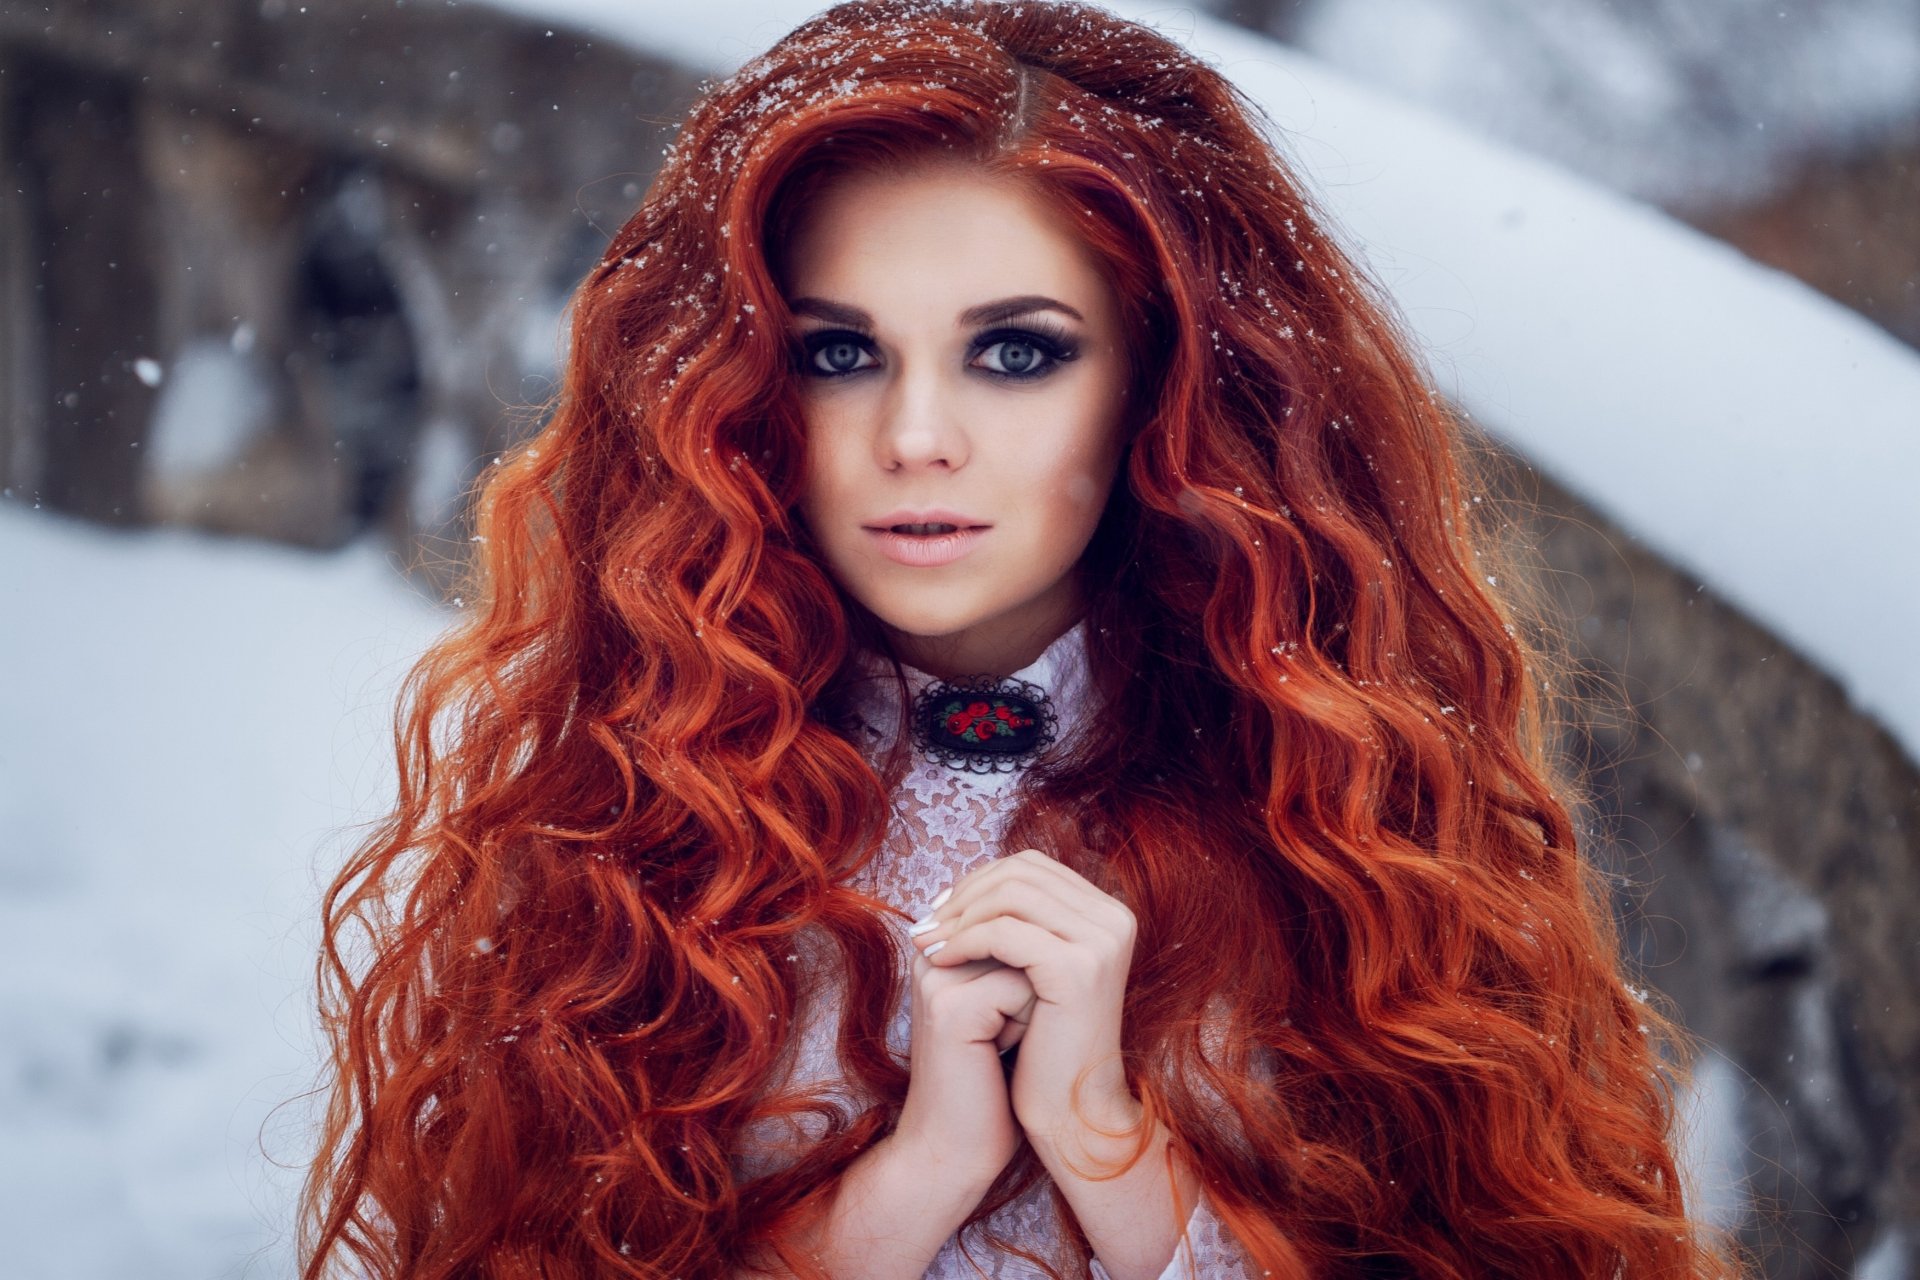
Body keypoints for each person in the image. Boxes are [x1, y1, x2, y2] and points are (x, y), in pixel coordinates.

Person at [298, 2, 1747, 1277]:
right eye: (838, 353)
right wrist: (910, 1179)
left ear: (1163, 380)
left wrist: (1111, 1150)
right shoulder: (639, 801)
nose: (916, 436)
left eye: (1016, 352)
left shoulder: (1344, 814)